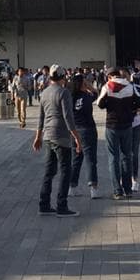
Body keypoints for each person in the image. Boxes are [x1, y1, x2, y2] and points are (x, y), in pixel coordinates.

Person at [33, 65, 81, 216]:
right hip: (61, 136)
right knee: (66, 170)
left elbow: (41, 117)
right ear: (62, 78)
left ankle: (44, 204)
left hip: (48, 136)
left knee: (49, 171)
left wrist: (37, 137)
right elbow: (68, 118)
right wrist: (77, 138)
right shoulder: (64, 92)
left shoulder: (44, 93)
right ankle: (62, 205)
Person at [97, 69, 140, 199]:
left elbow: (100, 104)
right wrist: (130, 108)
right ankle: (128, 190)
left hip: (112, 126)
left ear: (110, 76)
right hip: (127, 126)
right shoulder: (130, 86)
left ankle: (117, 191)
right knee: (126, 156)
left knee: (113, 158)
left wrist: (109, 103)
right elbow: (139, 103)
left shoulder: (107, 86)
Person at [69, 73, 99, 199]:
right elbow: (96, 94)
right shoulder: (87, 96)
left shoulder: (70, 97)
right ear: (82, 84)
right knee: (90, 159)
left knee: (76, 159)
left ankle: (72, 187)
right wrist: (89, 86)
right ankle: (93, 188)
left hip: (75, 131)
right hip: (88, 130)